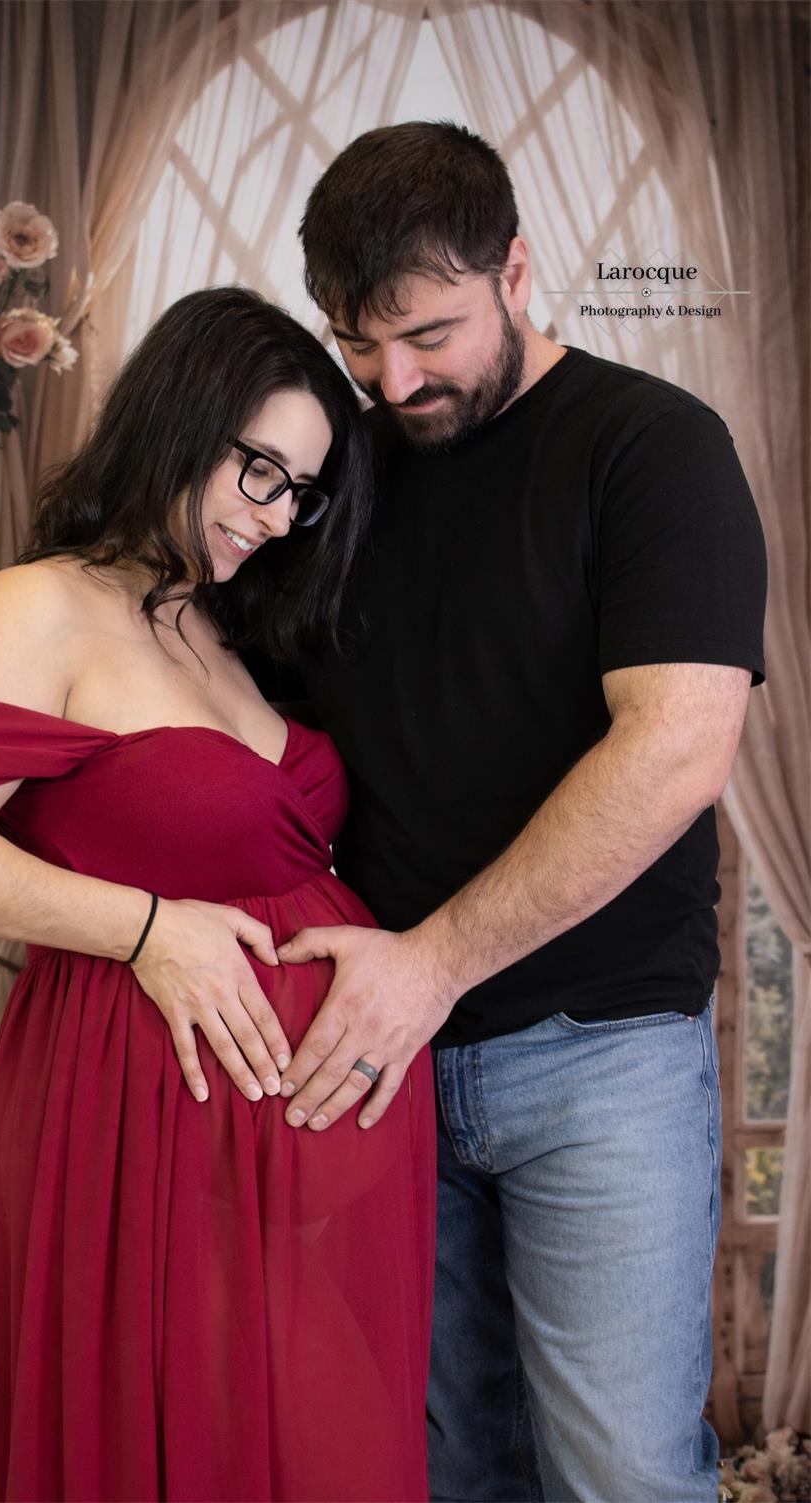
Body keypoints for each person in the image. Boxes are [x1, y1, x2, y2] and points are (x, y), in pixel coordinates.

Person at [256, 123, 766, 1502]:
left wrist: (430, 964)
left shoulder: (654, 447)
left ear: (520, 269)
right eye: (360, 344)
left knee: (620, 1476)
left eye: (429, 332)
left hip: (600, 1056)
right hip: (374, 1064)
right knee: (445, 1473)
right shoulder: (337, 473)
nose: (395, 378)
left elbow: (676, 749)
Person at [0, 287, 436, 1503]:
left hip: (289, 1160)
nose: (273, 517)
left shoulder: (218, 630)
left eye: (299, 491)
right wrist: (147, 930)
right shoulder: (39, 608)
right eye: (257, 471)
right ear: (180, 419)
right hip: (133, 1122)